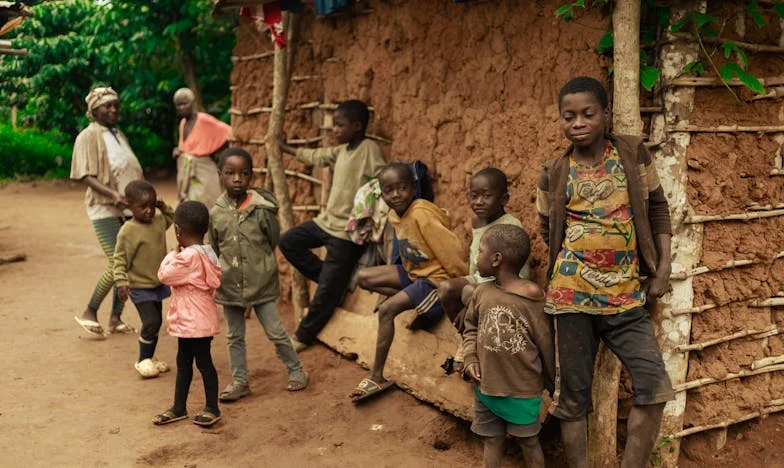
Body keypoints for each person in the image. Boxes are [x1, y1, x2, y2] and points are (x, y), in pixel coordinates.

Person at [536, 76, 674, 468]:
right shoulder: (553, 172)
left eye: (587, 113)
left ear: (605, 114)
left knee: (654, 386)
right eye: (569, 116)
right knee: (573, 399)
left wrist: (662, 267)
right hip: (571, 298)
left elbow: (659, 208)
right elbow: (549, 230)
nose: (578, 122)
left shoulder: (632, 154)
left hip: (627, 297)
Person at [349, 163, 467, 402]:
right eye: (389, 190)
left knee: (386, 310)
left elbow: (451, 252)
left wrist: (459, 288)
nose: (396, 195)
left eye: (402, 188)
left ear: (413, 188)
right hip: (414, 274)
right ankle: (414, 299)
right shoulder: (395, 214)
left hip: (434, 279)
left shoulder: (421, 214)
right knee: (363, 278)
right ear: (382, 194)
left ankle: (377, 376)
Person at [278, 99, 386, 352]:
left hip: (347, 232)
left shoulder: (369, 149)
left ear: (357, 126)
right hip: (326, 223)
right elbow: (317, 155)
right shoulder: (341, 150)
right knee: (288, 241)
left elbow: (383, 177)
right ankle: (333, 278)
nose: (334, 130)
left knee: (325, 293)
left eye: (339, 125)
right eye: (333, 125)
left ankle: (304, 336)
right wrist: (286, 148)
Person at [208, 148, 309, 402]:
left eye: (243, 174)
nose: (237, 179)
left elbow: (271, 239)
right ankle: (240, 382)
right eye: (230, 173)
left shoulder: (262, 210)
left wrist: (258, 264)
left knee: (275, 331)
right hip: (230, 283)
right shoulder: (216, 212)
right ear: (220, 175)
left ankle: (297, 371)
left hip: (261, 281)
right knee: (234, 336)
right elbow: (215, 246)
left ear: (251, 176)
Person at [463, 224, 554, 468]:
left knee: (529, 442)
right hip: (486, 387)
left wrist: (553, 382)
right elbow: (470, 328)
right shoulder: (481, 292)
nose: (476, 256)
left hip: (521, 389)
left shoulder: (532, 296)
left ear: (496, 259)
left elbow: (546, 341)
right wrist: (470, 358)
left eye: (480, 250)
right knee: (492, 441)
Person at [437, 167, 530, 372]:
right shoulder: (477, 220)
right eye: (474, 196)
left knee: (470, 293)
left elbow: (510, 274)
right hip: (479, 278)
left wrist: (467, 307)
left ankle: (480, 349)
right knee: (445, 289)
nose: (479, 202)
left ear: (504, 199)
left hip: (505, 285)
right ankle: (467, 341)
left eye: (487, 196)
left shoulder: (510, 226)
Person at [71, 86, 143, 337]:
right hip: (104, 209)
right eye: (107, 106)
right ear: (94, 110)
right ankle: (90, 312)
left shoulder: (117, 134)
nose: (113, 109)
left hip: (125, 208)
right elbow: (84, 175)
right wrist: (113, 194)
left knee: (128, 262)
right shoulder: (87, 137)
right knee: (117, 263)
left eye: (115, 105)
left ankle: (115, 318)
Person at [153, 201, 223, 427]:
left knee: (195, 363)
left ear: (177, 230)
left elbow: (164, 275)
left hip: (193, 321)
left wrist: (172, 253)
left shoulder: (188, 257)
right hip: (196, 320)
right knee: (195, 362)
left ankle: (210, 408)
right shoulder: (207, 252)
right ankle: (181, 407)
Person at [112, 180, 174, 378]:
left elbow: (173, 218)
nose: (149, 210)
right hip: (139, 286)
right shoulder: (128, 231)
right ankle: (142, 360)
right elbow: (119, 258)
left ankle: (151, 356)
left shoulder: (158, 220)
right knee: (151, 322)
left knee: (155, 323)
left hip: (157, 284)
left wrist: (163, 207)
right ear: (129, 206)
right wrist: (121, 282)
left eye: (152, 205)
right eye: (142, 206)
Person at [172, 87, 230, 208]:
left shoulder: (204, 120)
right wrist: (178, 151)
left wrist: (213, 151)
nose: (181, 108)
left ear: (193, 103)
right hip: (187, 170)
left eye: (185, 104)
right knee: (190, 205)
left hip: (204, 170)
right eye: (178, 105)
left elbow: (228, 133)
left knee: (207, 205)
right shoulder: (183, 123)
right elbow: (185, 147)